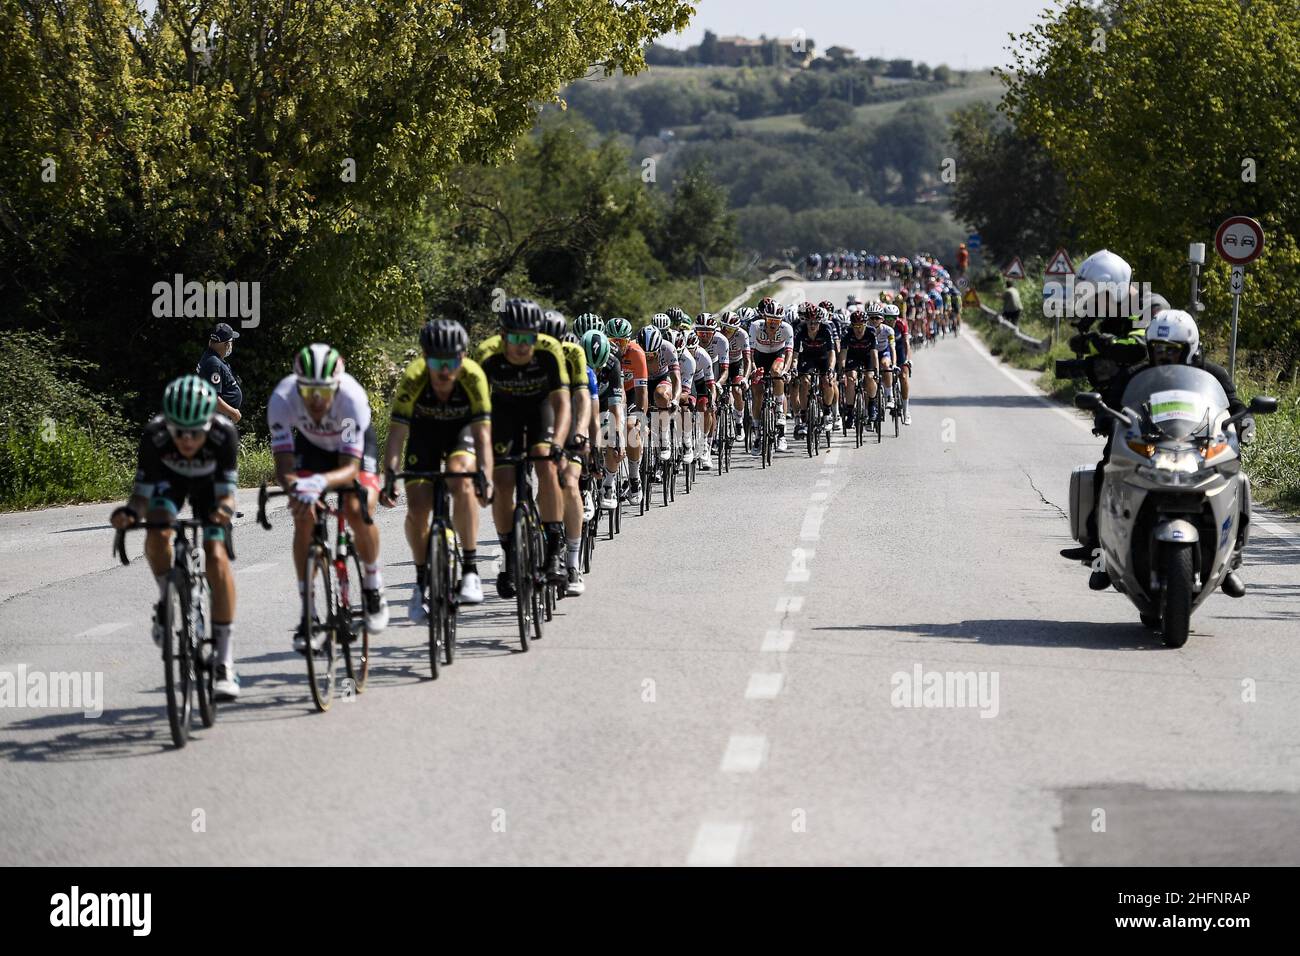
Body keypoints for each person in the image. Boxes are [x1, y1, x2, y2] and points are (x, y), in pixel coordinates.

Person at [1072, 310, 1254, 594]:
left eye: (1171, 350)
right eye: (1158, 349)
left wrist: (1244, 420)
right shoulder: (1135, 376)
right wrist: (1104, 416)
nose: (1163, 356)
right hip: (1149, 449)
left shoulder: (1212, 375)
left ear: (1188, 349)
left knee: (1237, 480)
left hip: (1197, 449)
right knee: (1103, 470)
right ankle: (1099, 552)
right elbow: (1111, 404)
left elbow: (1235, 405)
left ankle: (1230, 559)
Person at [110, 376, 240, 700]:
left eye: (194, 431)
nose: (185, 438)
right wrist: (129, 513)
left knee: (216, 552)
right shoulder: (155, 435)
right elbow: (141, 497)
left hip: (210, 489)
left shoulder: (224, 434)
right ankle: (166, 592)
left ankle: (224, 661)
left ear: (209, 423)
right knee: (156, 529)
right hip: (172, 483)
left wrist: (222, 514)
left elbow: (227, 497)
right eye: (178, 430)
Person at [269, 343, 390, 646]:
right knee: (303, 516)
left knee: (356, 507)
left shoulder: (351, 400)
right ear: (298, 386)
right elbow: (284, 467)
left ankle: (373, 587)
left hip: (353, 451)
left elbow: (349, 469)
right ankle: (308, 612)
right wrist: (298, 488)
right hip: (312, 448)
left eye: (324, 391)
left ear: (337, 385)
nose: (318, 400)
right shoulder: (282, 399)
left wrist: (317, 483)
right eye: (310, 392)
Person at [381, 319, 492, 616]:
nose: (444, 370)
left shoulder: (473, 376)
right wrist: (389, 476)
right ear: (424, 358)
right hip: (425, 434)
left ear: (463, 356)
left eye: (451, 361)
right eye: (435, 361)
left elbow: (483, 436)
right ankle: (421, 582)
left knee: (462, 478)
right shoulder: (414, 377)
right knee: (417, 508)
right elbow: (396, 435)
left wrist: (486, 476)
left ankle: (470, 569)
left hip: (461, 433)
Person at [476, 299, 571, 592]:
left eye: (529, 338)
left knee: (545, 460)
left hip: (540, 409)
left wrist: (558, 444)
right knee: (503, 482)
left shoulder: (548, 351)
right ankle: (509, 554)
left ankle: (554, 551)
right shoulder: (487, 355)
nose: (522, 345)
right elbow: (477, 410)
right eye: (515, 338)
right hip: (503, 413)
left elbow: (562, 403)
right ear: (502, 336)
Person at [196, 323, 243, 425]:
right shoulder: (213, 363)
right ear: (226, 344)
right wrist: (233, 413)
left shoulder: (212, 357)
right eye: (231, 341)